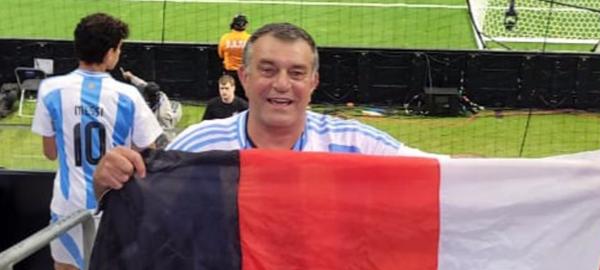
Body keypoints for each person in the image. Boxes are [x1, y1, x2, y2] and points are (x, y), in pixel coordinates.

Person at [94, 22, 434, 195]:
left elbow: (441, 175)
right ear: (244, 77)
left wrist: (487, 176)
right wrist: (107, 182)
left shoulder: (357, 144)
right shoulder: (199, 146)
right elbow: (139, 207)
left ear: (314, 83)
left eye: (296, 73)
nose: (282, 84)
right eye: (268, 70)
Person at [31, 13, 163, 270]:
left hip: (67, 205)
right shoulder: (127, 94)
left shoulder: (51, 89)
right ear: (110, 53)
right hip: (115, 204)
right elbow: (150, 151)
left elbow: (48, 150)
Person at [122, 69, 182, 142]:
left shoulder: (162, 114)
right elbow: (143, 85)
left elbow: (164, 129)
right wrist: (131, 77)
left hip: (164, 134)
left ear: (148, 95)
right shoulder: (159, 94)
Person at [218, 14, 250, 98]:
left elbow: (220, 55)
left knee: (230, 97)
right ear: (246, 25)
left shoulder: (225, 38)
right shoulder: (250, 39)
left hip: (230, 72)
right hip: (245, 72)